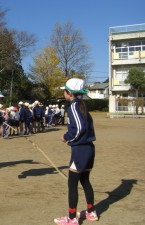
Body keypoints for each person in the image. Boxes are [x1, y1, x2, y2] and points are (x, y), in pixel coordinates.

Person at [54, 78, 98, 225]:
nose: (64, 93)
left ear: (70, 93)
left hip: (80, 150)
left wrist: (66, 137)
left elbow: (79, 129)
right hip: (89, 148)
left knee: (72, 184)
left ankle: (72, 219)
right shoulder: (82, 105)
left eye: (64, 91)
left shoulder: (73, 106)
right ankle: (91, 212)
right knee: (85, 180)